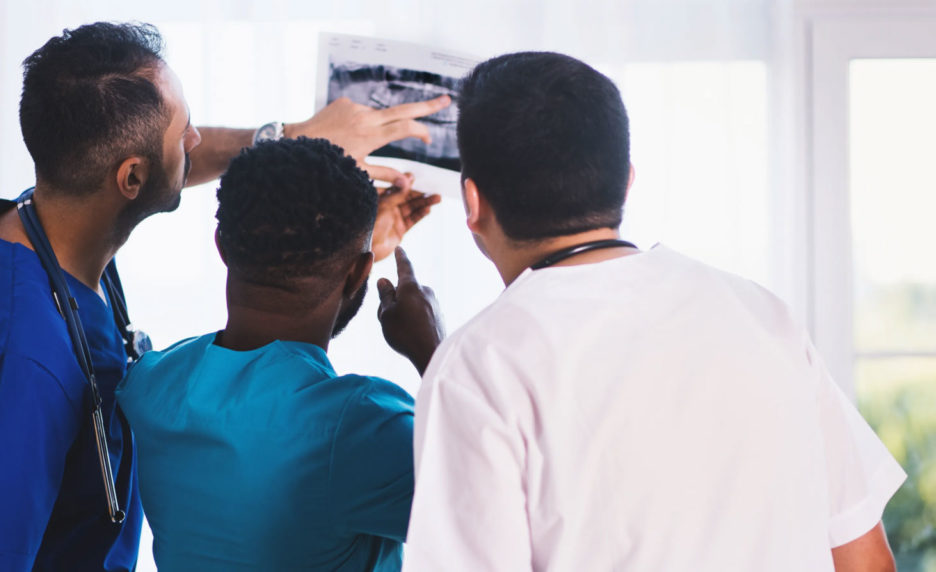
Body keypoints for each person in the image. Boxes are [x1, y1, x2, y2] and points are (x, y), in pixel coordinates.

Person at [0, 22, 447, 571]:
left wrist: (323, 226)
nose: (196, 140)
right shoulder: (19, 361)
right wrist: (430, 346)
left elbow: (271, 347)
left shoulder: (34, 225)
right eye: (184, 131)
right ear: (131, 178)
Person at [381, 52, 905, 571]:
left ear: (470, 203)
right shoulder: (764, 317)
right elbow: (865, 561)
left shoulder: (476, 365)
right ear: (627, 180)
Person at [116, 137, 443, 571]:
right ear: (361, 272)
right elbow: (502, 508)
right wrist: (434, 352)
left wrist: (346, 259)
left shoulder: (149, 385)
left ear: (222, 245)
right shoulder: (359, 429)